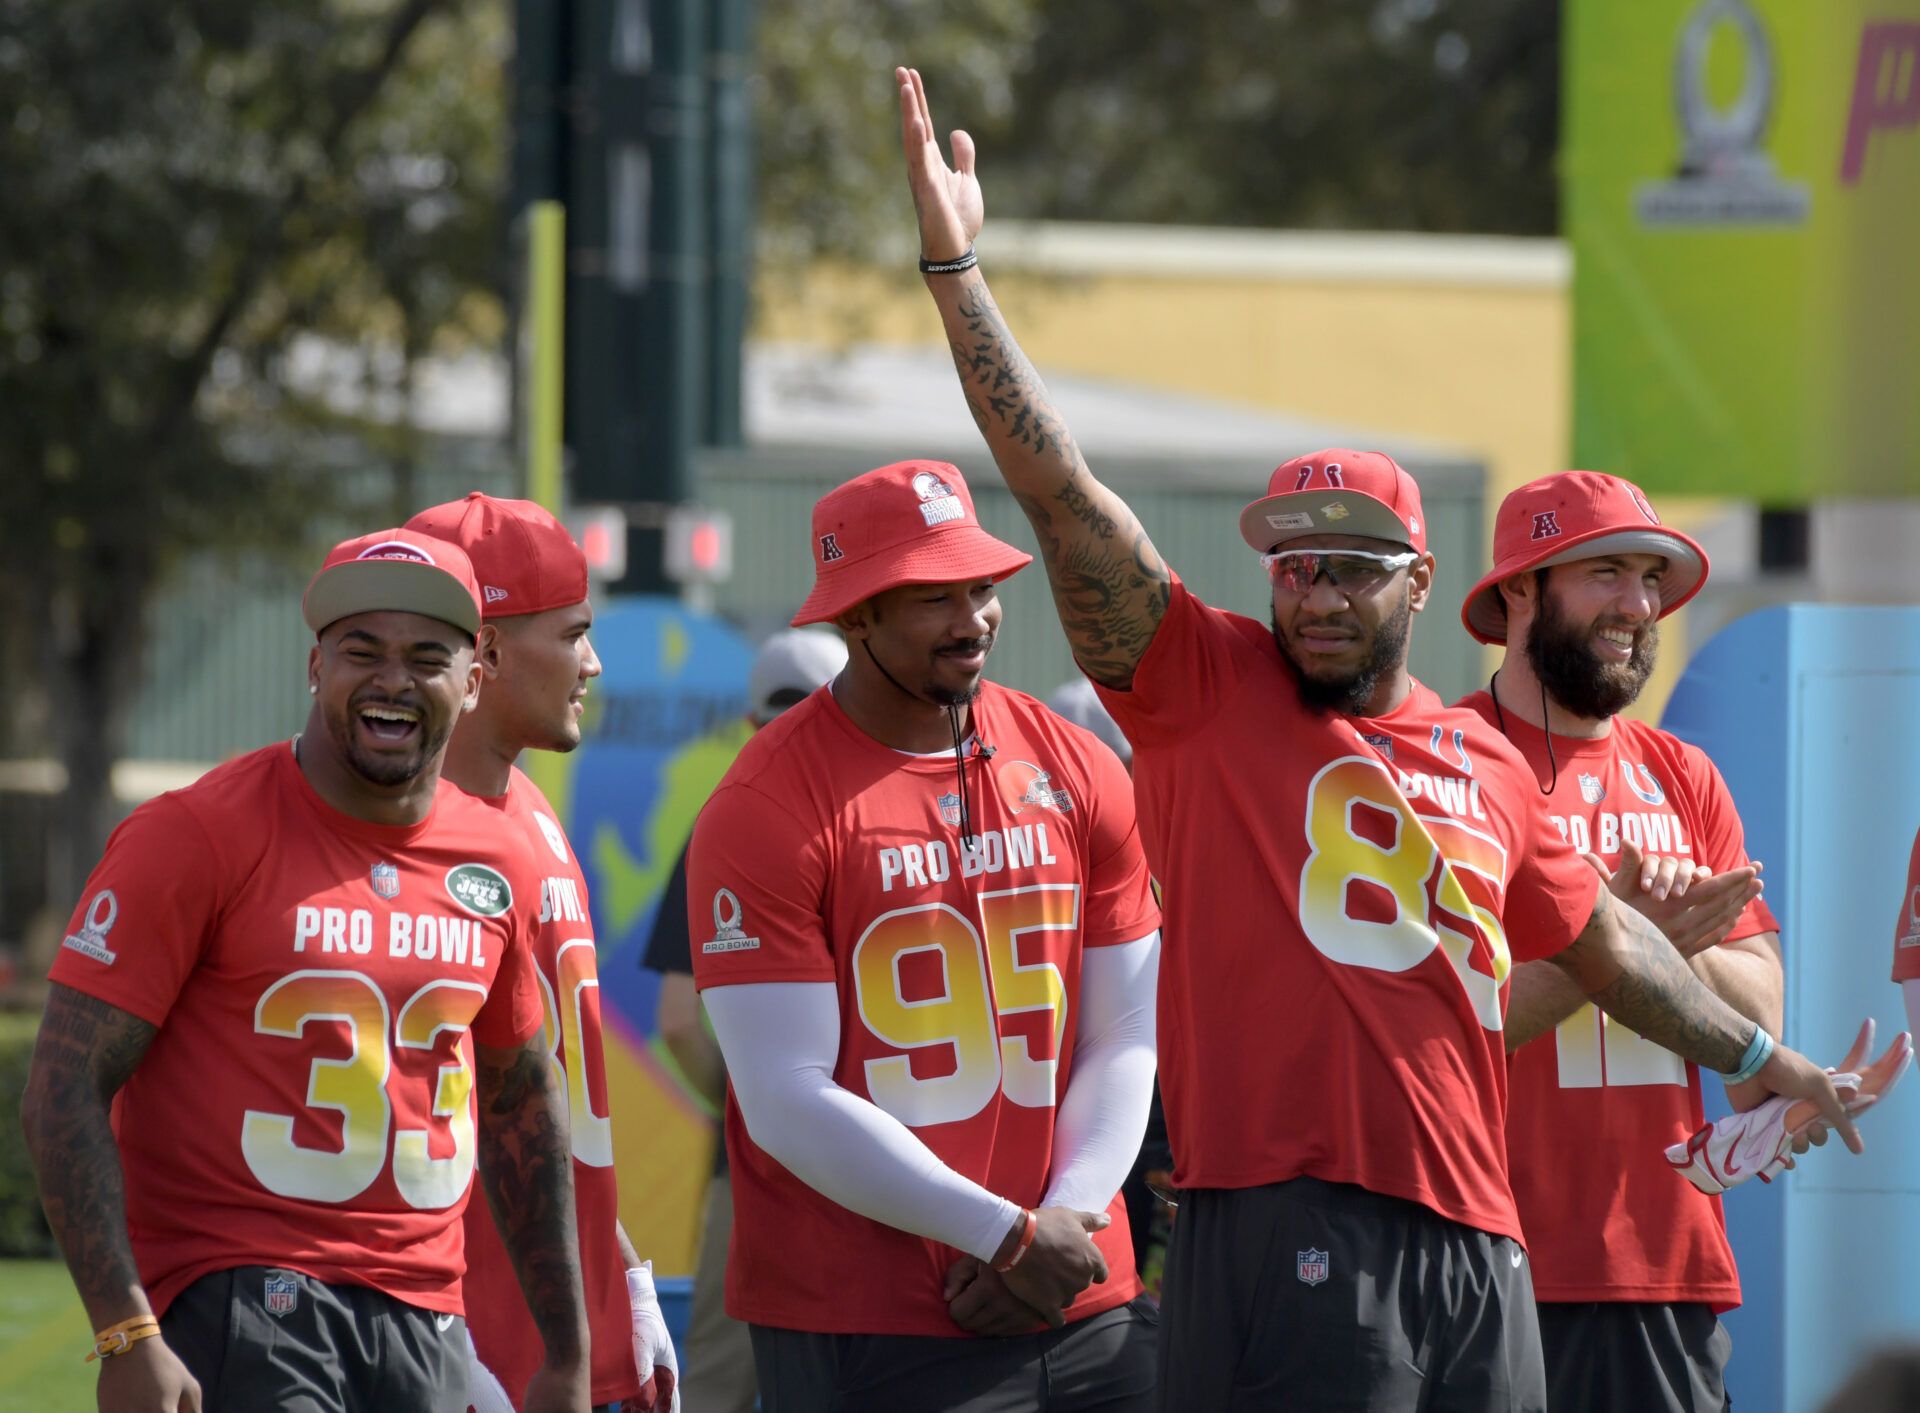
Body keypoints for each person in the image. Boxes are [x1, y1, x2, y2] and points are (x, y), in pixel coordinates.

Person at [894, 64, 1857, 1411]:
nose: (1317, 592)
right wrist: (958, 267)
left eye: (1351, 567)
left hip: (1479, 1232)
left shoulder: (1480, 761)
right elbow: (1063, 497)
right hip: (1297, 1213)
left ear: (1420, 580)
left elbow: (1606, 941)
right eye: (1294, 567)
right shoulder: (1205, 682)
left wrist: (1771, 1063)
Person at [20, 528, 591, 1413]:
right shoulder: (199, 833)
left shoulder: (497, 856)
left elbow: (519, 1095)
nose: (392, 679)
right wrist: (126, 1330)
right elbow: (64, 1079)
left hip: (426, 1312)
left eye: (426, 656)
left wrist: (565, 1351)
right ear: (315, 667)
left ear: (472, 682)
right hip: (241, 1294)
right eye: (362, 650)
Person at [687, 459, 1164, 1411]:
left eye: (981, 585)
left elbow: (1123, 1032)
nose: (973, 617)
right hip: (867, 1313)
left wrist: (1057, 1226)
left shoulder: (1076, 764)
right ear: (853, 615)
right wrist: (1006, 1235)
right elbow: (784, 1096)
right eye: (930, 596)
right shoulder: (764, 803)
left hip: (1080, 1290)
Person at [1456, 471, 1781, 1410]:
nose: (1639, 605)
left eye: (1650, 577)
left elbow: (1759, 1026)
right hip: (1477, 1254)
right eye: (1606, 572)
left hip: (1664, 1266)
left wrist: (1663, 945)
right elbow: (1431, 1028)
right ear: (1520, 588)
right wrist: (1614, 942)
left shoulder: (1683, 774)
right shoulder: (1435, 758)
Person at [402, 493, 677, 1413]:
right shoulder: (408, 849)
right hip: (476, 1344)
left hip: (568, 1336)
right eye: (574, 633)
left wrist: (625, 1271)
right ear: (483, 650)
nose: (594, 662)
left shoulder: (529, 810)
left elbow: (541, 1106)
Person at [643, 625, 849, 1413]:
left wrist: (756, 1108)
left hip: (760, 1170)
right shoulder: (897, 818)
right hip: (910, 1154)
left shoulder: (720, 828)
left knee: (725, 1383)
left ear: (751, 722)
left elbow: (679, 1021)